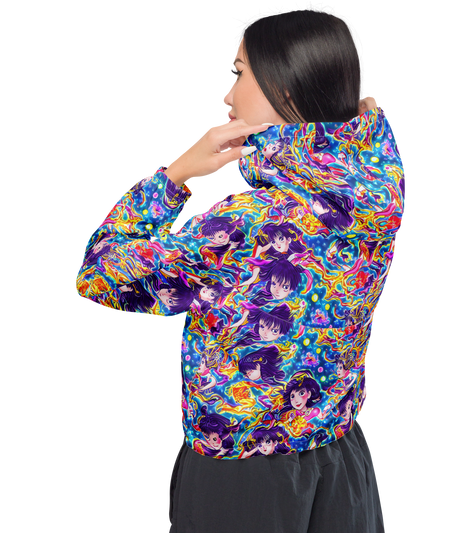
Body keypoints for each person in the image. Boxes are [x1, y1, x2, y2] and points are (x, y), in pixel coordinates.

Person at [73, 2, 407, 532]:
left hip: (243, 474)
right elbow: (366, 113)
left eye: (238, 72)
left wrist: (174, 175)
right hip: (342, 456)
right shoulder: (378, 184)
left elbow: (98, 275)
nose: (227, 95)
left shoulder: (247, 223)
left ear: (286, 86)